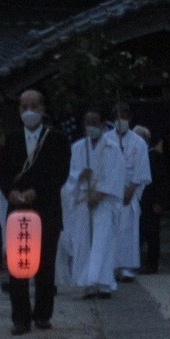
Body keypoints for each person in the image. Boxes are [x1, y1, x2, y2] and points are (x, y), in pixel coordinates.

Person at [0, 89, 71, 335]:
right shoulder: (10, 140)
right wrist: (10, 192)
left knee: (45, 264)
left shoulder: (57, 139)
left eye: (34, 106)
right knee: (17, 266)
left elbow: (60, 174)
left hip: (46, 208)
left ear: (42, 109)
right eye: (23, 106)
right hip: (17, 208)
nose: (29, 111)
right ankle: (20, 318)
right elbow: (2, 173)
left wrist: (36, 192)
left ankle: (43, 314)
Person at [60, 108, 125, 299]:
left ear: (103, 125)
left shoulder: (112, 148)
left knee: (102, 242)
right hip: (83, 202)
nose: (91, 127)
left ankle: (103, 282)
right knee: (83, 242)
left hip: (103, 202)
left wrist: (101, 193)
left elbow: (116, 174)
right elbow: (70, 175)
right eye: (88, 123)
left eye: (95, 123)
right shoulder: (78, 148)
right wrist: (80, 177)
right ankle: (85, 283)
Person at [106, 103, 151, 282]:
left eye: (123, 116)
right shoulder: (106, 139)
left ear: (129, 118)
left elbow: (142, 170)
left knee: (127, 231)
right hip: (110, 193)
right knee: (109, 232)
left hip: (129, 193)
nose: (120, 120)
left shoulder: (138, 142)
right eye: (117, 117)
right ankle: (111, 267)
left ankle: (127, 268)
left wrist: (132, 189)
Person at [136, 125, 167, 274]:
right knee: (139, 232)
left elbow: (161, 181)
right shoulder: (135, 155)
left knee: (152, 234)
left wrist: (159, 201)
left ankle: (152, 264)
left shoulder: (154, 156)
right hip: (138, 200)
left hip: (151, 201)